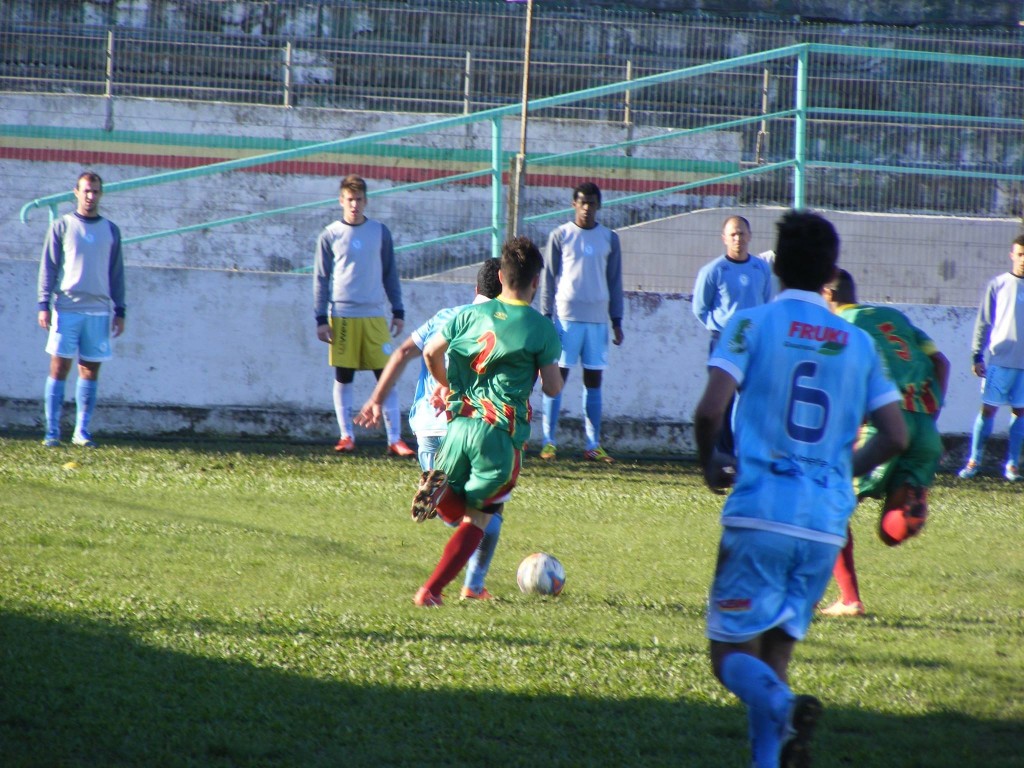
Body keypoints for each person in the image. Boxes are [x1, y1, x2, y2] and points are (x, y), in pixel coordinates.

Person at [693, 210, 907, 768]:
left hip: (761, 511)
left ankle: (786, 706)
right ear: (831, 272)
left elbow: (709, 409)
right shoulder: (859, 344)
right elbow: (895, 434)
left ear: (777, 265)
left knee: (729, 658)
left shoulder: (752, 324)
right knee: (774, 657)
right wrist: (844, 472)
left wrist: (710, 462)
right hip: (823, 525)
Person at [410, 236, 563, 607]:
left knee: (463, 509)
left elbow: (430, 352)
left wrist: (447, 386)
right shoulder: (540, 327)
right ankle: (431, 591)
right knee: (479, 520)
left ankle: (442, 493)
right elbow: (554, 388)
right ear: (535, 282)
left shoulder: (467, 315)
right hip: (498, 435)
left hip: (458, 427)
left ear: (500, 274)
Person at [354, 258, 504, 600]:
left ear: (475, 289)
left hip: (426, 429)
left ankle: (439, 493)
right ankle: (472, 586)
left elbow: (405, 351)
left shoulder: (446, 316)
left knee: (458, 518)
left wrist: (377, 398)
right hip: (463, 428)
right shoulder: (498, 329)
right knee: (486, 515)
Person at [819, 269, 950, 617]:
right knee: (891, 532)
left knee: (826, 504)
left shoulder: (841, 328)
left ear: (828, 294)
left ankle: (849, 600)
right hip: (923, 424)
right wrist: (929, 409)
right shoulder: (894, 316)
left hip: (882, 424)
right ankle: (906, 508)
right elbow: (941, 361)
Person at [313, 174, 413, 457]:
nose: (354, 205)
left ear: (366, 201)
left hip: (373, 317)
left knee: (386, 376)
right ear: (341, 201)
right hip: (342, 315)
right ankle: (347, 436)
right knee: (343, 376)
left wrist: (398, 310)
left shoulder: (380, 232)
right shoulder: (330, 234)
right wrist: (321, 318)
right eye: (349, 200)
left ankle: (395, 438)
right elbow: (321, 278)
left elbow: (390, 273)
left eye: (359, 200)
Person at [37, 170, 126, 448]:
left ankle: (81, 432)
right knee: (59, 366)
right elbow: (48, 267)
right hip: (66, 308)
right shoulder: (62, 226)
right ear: (76, 192)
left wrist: (120, 309)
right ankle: (52, 432)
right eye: (86, 190)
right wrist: (44, 304)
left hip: (98, 311)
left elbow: (116, 273)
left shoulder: (111, 230)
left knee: (89, 370)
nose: (91, 196)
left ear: (101, 194)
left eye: (96, 191)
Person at [538, 181, 624, 463]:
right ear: (574, 204)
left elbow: (614, 280)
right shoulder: (560, 235)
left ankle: (592, 444)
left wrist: (617, 320)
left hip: (598, 321)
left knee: (594, 380)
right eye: (582, 202)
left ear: (599, 206)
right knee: (557, 379)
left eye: (592, 203)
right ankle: (549, 442)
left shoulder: (610, 238)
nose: (587, 208)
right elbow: (548, 277)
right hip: (566, 318)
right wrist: (546, 316)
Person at [692, 215, 773, 455]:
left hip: (754, 343)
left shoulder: (761, 268)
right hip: (724, 343)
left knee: (751, 397)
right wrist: (719, 329)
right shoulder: (714, 270)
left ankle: (746, 450)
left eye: (742, 233)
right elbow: (700, 307)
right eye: (733, 234)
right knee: (723, 401)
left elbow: (766, 301)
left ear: (750, 236)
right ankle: (723, 453)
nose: (738, 238)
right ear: (724, 238)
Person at [957, 234, 1024, 482]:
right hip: (1000, 360)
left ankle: (1013, 465)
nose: (1023, 259)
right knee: (988, 410)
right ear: (1012, 255)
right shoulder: (998, 284)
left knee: (1021, 413)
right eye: (1019, 254)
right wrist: (977, 354)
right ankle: (974, 460)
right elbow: (984, 321)